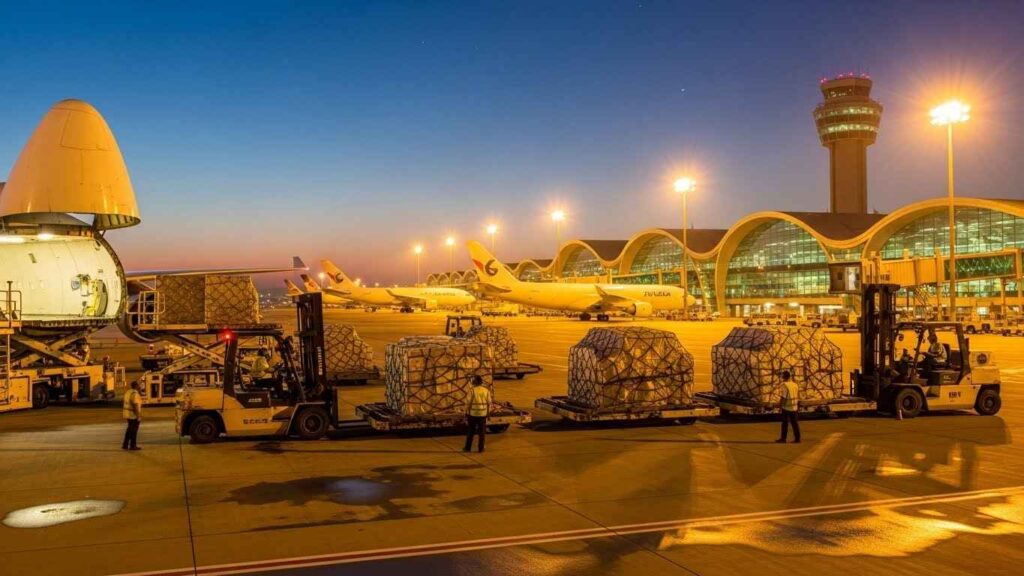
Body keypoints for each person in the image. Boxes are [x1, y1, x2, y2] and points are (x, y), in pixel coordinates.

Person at [463, 376, 492, 453]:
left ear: (474, 382)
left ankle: (467, 448)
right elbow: (489, 403)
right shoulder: (486, 390)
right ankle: (481, 448)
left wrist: (465, 412)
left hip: (473, 414)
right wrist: (488, 413)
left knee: (471, 432)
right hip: (482, 414)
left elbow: (467, 402)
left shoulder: (472, 391)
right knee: (482, 433)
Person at [776, 370, 800, 444]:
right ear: (790, 377)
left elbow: (784, 397)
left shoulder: (784, 385)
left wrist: (780, 406)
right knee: (794, 423)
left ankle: (783, 439)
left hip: (786, 407)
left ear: (783, 377)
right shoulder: (795, 384)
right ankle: (797, 438)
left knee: (785, 423)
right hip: (794, 406)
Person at [122, 381, 143, 451]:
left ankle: (125, 444)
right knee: (134, 431)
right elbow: (135, 405)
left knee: (129, 430)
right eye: (138, 385)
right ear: (136, 386)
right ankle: (133, 445)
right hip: (133, 414)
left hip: (127, 413)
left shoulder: (128, 392)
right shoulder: (135, 394)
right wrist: (138, 415)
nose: (139, 387)